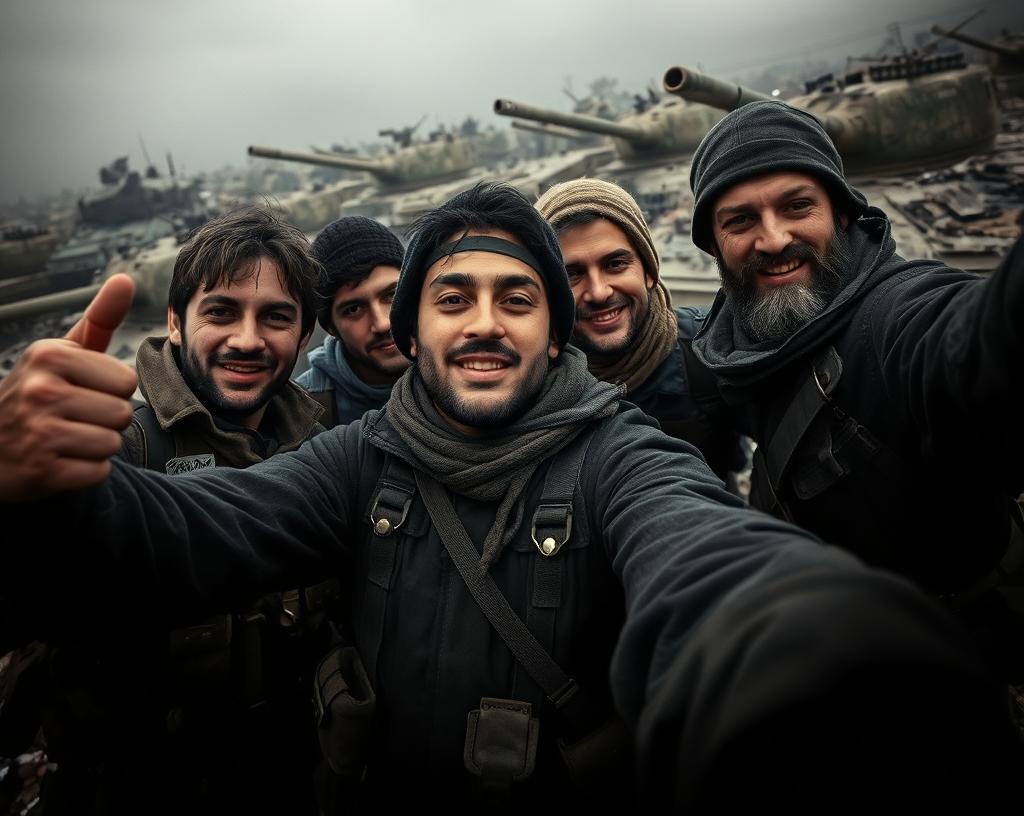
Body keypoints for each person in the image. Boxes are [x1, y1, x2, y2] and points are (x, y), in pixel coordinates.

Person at [0, 183, 1020, 809]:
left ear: (554, 328)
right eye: (452, 296)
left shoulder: (617, 451)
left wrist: (805, 654)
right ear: (417, 326)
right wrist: (50, 490)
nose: (483, 322)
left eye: (515, 296)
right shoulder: (357, 457)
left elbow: (701, 548)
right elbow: (194, 531)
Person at [685, 98, 1024, 680]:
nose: (772, 239)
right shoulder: (740, 341)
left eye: (797, 206)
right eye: (739, 221)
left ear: (842, 213)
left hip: (961, 659)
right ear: (714, 244)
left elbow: (969, 342)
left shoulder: (891, 314)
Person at [32, 205, 333, 815]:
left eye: (276, 317)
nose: (247, 340)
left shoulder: (326, 446)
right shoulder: (118, 449)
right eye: (219, 312)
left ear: (305, 338)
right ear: (175, 322)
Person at [536, 178, 742, 480]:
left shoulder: (711, 352)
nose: (599, 291)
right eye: (572, 274)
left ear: (648, 270)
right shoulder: (528, 382)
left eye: (615, 264)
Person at [296, 215, 409, 427]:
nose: (383, 324)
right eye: (354, 309)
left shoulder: (460, 367)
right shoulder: (303, 413)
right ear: (331, 328)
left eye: (392, 296)